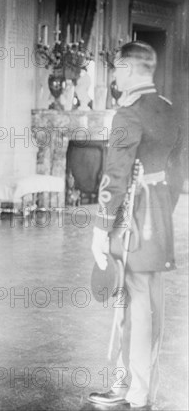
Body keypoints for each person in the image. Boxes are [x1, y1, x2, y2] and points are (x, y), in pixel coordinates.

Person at [89, 41, 185, 408]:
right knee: (151, 304)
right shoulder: (170, 110)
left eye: (116, 68)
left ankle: (129, 389)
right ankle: (144, 388)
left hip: (132, 217)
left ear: (129, 70)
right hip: (159, 214)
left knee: (129, 306)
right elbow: (180, 168)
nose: (114, 75)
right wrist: (164, 203)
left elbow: (114, 178)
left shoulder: (127, 114)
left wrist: (100, 230)